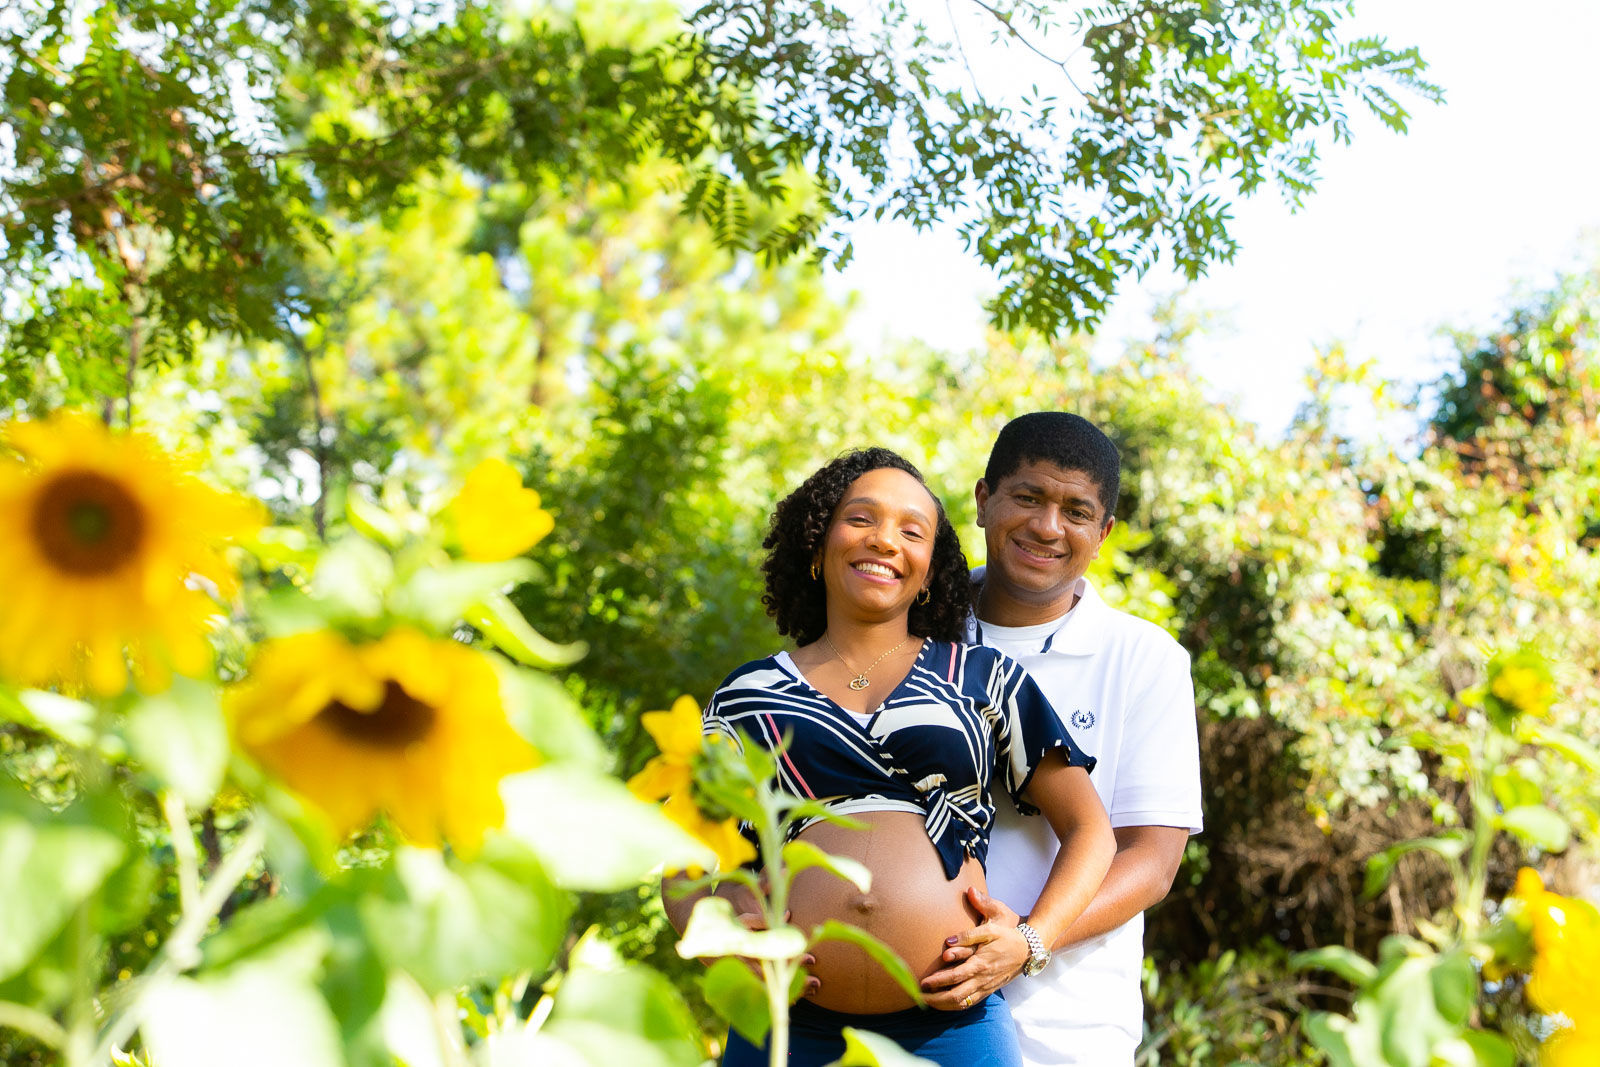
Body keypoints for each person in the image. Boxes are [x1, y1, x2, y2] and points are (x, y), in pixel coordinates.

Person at [667, 447, 1115, 1067]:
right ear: (818, 544)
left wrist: (1030, 939)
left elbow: (1091, 830)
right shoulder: (747, 696)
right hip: (783, 1017)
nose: (884, 540)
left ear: (930, 569)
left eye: (912, 530)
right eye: (861, 519)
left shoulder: (985, 679)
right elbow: (682, 860)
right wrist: (717, 938)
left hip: (953, 1027)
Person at [919, 413, 1205, 1065]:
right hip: (901, 1010)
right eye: (1028, 497)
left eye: (1076, 510)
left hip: (1065, 1031)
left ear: (1102, 533)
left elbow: (1150, 859)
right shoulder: (912, 635)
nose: (1048, 527)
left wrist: (1027, 940)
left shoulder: (1141, 657)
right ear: (984, 498)